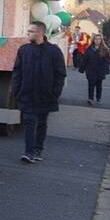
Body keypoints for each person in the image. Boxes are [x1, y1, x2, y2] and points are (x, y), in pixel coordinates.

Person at [12, 21, 67, 163]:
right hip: (27, 93)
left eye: (31, 31)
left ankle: (38, 149)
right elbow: (17, 71)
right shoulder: (24, 50)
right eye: (28, 31)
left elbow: (60, 73)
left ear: (40, 33)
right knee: (29, 121)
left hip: (46, 94)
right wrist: (17, 89)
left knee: (42, 122)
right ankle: (29, 152)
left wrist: (55, 92)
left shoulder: (53, 51)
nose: (27, 33)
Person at [79, 34, 110, 105]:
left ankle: (98, 98)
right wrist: (82, 69)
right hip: (91, 69)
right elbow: (85, 60)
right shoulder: (89, 49)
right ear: (93, 40)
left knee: (99, 85)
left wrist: (106, 69)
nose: (97, 40)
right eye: (96, 39)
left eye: (99, 39)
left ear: (101, 40)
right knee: (91, 84)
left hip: (100, 70)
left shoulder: (104, 49)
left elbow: (107, 61)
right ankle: (90, 98)